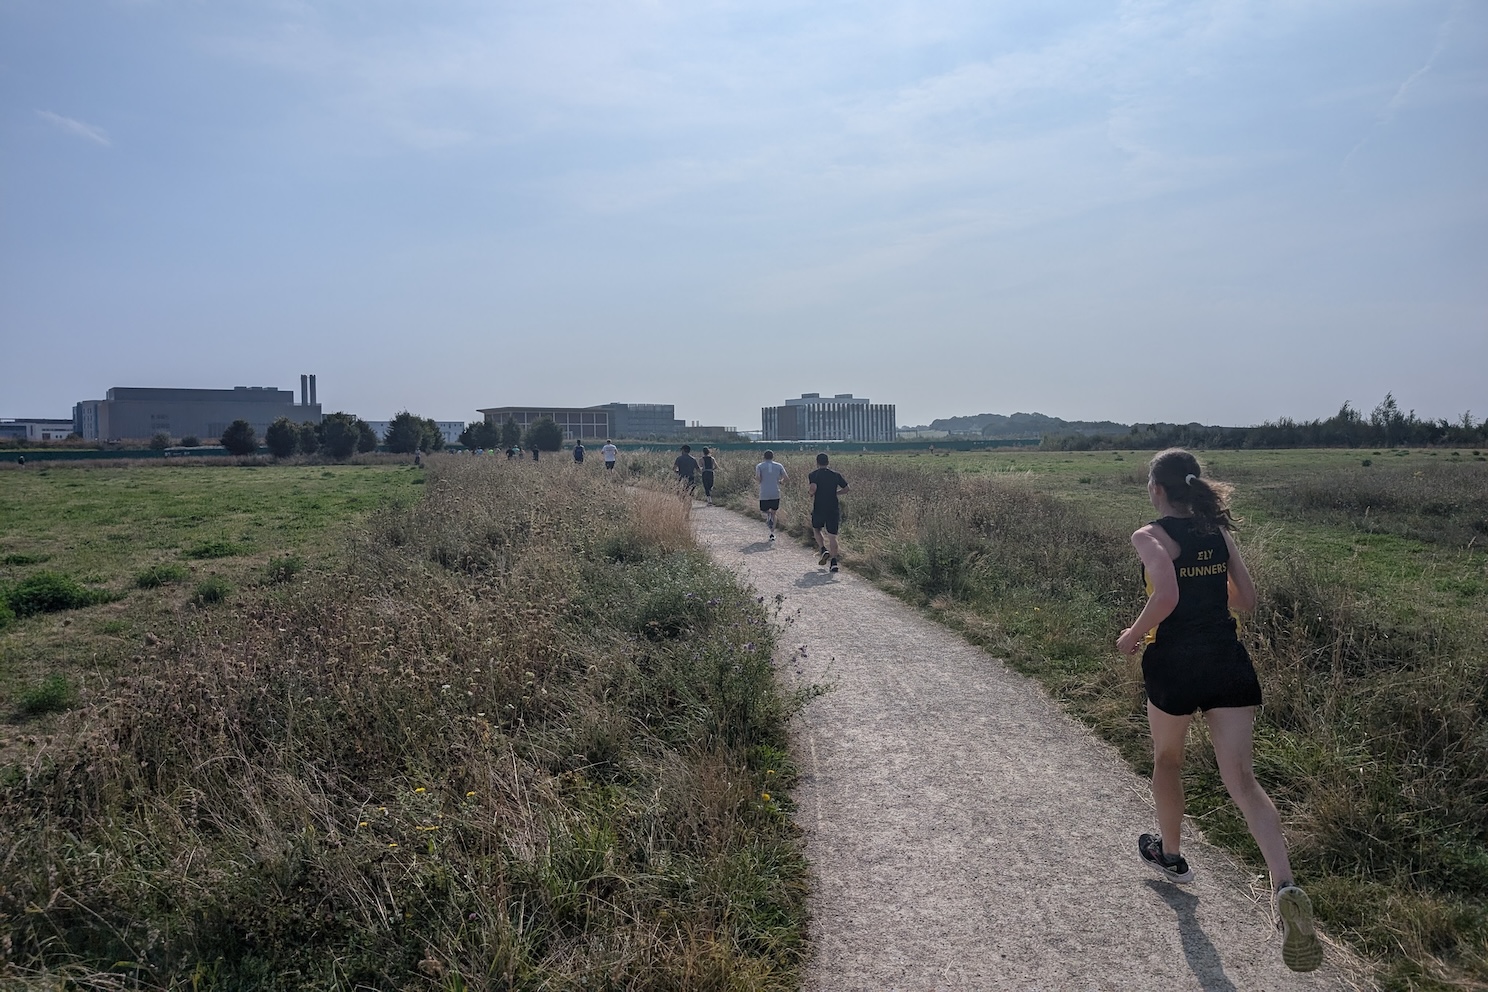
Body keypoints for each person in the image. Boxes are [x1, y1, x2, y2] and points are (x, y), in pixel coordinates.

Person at [1117, 449, 1321, 974]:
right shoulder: (1219, 533)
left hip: (1175, 664)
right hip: (1228, 662)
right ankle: (1285, 886)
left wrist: (1132, 635)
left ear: (1157, 489)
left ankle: (1171, 855)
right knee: (1244, 781)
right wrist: (1209, 593)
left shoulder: (1150, 535)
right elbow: (1246, 599)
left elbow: (1163, 595)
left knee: (1168, 761)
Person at [807, 452, 849, 572]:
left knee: (816, 529)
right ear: (828, 462)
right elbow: (847, 488)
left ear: (817, 462)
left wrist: (810, 494)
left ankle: (823, 549)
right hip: (833, 507)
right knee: (832, 535)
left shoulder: (814, 474)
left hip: (819, 507)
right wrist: (836, 493)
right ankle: (834, 563)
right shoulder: (835, 475)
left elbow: (813, 488)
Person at [754, 450, 787, 541]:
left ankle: (768, 516)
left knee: (763, 510)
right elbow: (786, 477)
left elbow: (758, 478)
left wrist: (761, 480)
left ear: (764, 457)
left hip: (764, 492)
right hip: (775, 492)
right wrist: (781, 481)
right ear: (773, 456)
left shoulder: (760, 466)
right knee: (774, 512)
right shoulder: (779, 465)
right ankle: (772, 533)